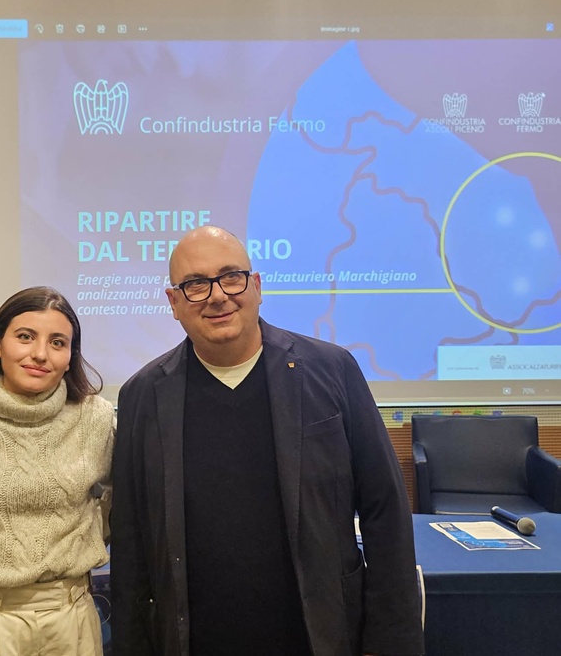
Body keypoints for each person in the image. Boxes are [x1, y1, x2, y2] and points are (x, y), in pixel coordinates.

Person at [111, 226, 424, 656]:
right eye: (196, 284)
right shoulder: (143, 395)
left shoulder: (332, 371)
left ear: (256, 286)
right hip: (195, 640)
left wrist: (391, 644)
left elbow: (385, 511)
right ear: (174, 303)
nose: (218, 296)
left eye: (231, 277)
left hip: (320, 636)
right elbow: (130, 541)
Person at [0, 286, 115, 656]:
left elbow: (134, 492)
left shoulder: (96, 419)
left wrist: (98, 531)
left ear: (70, 356)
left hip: (72, 616)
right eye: (25, 337)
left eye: (57, 342)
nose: (40, 354)